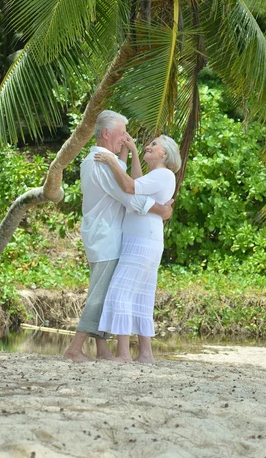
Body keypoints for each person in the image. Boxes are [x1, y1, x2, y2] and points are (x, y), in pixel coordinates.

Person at [64, 111, 173, 362]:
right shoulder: (102, 161)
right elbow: (128, 195)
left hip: (102, 234)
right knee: (100, 294)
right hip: (106, 236)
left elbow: (121, 173)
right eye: (122, 132)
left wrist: (124, 153)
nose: (126, 137)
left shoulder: (98, 159)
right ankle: (74, 349)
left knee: (103, 291)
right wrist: (161, 210)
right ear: (106, 133)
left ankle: (103, 350)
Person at [94, 134, 181, 363]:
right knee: (142, 295)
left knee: (120, 291)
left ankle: (123, 354)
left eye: (154, 145)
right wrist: (132, 152)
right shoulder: (158, 176)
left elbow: (130, 186)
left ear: (165, 154)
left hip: (142, 240)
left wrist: (113, 161)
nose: (148, 146)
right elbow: (137, 182)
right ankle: (145, 353)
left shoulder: (164, 174)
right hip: (146, 239)